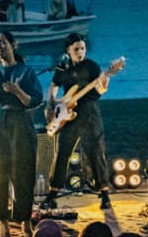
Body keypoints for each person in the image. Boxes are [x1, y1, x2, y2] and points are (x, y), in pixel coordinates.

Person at [0, 31, 43, 237]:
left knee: (23, 172)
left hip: (20, 122)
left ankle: (25, 221)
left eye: (2, 43)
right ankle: (2, 222)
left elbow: (35, 100)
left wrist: (17, 91)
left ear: (13, 45)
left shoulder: (26, 71)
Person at [43, 33, 113, 211]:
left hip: (90, 113)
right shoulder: (62, 67)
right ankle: (53, 193)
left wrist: (105, 82)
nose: (80, 52)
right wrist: (51, 104)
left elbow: (100, 91)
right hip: (68, 115)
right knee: (62, 154)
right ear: (68, 50)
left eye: (83, 48)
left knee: (97, 153)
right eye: (76, 49)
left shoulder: (92, 66)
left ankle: (105, 193)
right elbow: (54, 86)